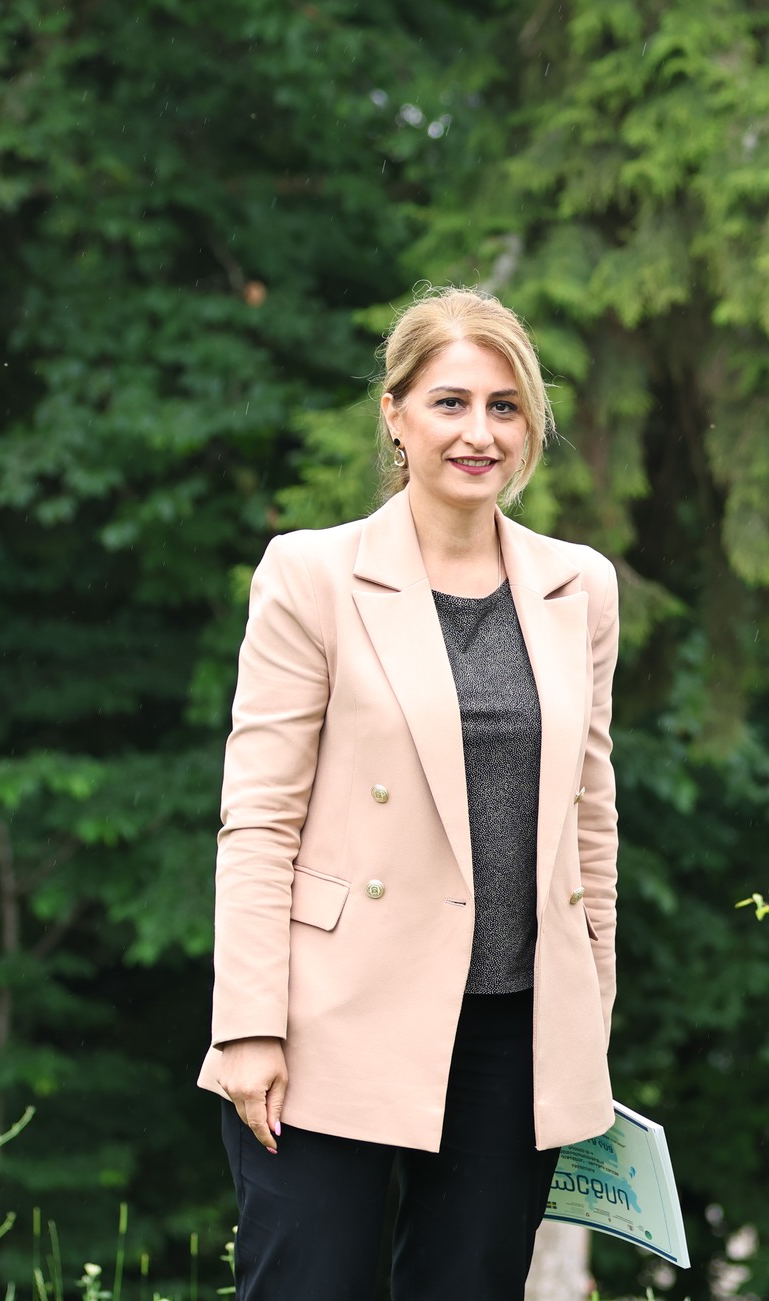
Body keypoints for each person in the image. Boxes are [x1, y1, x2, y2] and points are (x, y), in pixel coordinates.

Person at [198, 287, 622, 1300]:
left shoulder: (579, 586)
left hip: (514, 1031)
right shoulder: (310, 574)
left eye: (505, 406)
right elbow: (258, 818)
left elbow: (590, 815)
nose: (480, 433)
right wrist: (249, 1024)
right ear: (394, 413)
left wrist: (590, 1008)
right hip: (328, 1020)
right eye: (450, 402)